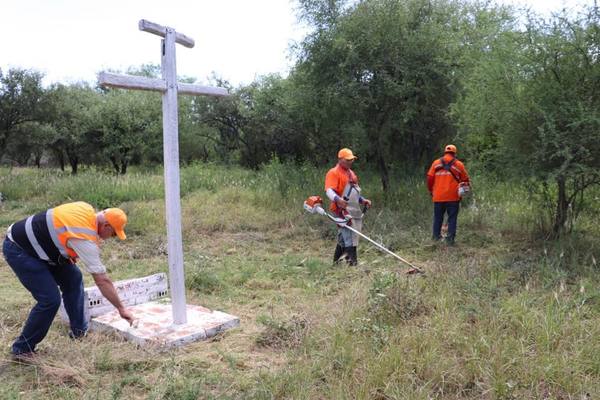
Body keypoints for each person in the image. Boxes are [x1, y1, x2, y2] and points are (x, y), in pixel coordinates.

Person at [2, 201, 135, 361]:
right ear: (106, 225)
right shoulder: (83, 238)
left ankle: (79, 332)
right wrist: (121, 308)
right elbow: (102, 281)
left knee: (74, 278)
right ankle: (22, 349)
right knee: (50, 300)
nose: (110, 238)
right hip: (20, 249)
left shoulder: (85, 208)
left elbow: (58, 231)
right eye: (113, 234)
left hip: (42, 248)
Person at [325, 148, 371, 265]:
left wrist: (362, 200)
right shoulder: (333, 172)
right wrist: (338, 200)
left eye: (352, 159)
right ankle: (352, 265)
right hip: (339, 210)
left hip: (351, 209)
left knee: (343, 237)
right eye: (348, 160)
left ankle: (336, 263)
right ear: (340, 159)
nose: (350, 162)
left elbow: (353, 192)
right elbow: (329, 191)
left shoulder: (351, 173)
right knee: (350, 236)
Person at [426, 144, 470, 245]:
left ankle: (436, 238)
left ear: (445, 152)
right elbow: (466, 180)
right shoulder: (459, 165)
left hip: (438, 196)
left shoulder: (436, 163)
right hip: (453, 197)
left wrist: (430, 190)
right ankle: (450, 240)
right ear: (455, 153)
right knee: (452, 218)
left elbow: (429, 178)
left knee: (438, 218)